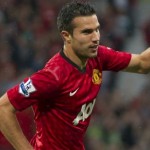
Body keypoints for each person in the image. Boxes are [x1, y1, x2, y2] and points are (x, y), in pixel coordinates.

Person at [0, 1, 150, 150]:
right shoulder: (54, 75)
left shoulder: (98, 56)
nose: (95, 37)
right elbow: (3, 107)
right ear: (67, 36)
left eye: (96, 30)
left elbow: (142, 64)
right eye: (86, 32)